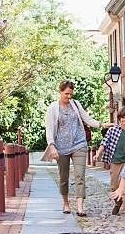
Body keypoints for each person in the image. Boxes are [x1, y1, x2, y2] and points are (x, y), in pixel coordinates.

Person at [44, 80, 112, 216]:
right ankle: (66, 203)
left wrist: (102, 124)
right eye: (66, 94)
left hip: (79, 144)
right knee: (64, 178)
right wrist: (51, 145)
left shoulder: (75, 104)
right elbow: (49, 128)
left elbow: (87, 119)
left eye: (71, 94)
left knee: (80, 175)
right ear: (60, 91)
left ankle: (80, 207)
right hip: (61, 147)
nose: (69, 97)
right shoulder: (53, 108)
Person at [93, 107, 125, 216]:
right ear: (119, 119)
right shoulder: (113, 130)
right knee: (115, 186)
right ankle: (118, 203)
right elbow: (104, 143)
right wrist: (98, 154)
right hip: (115, 162)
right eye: (123, 117)